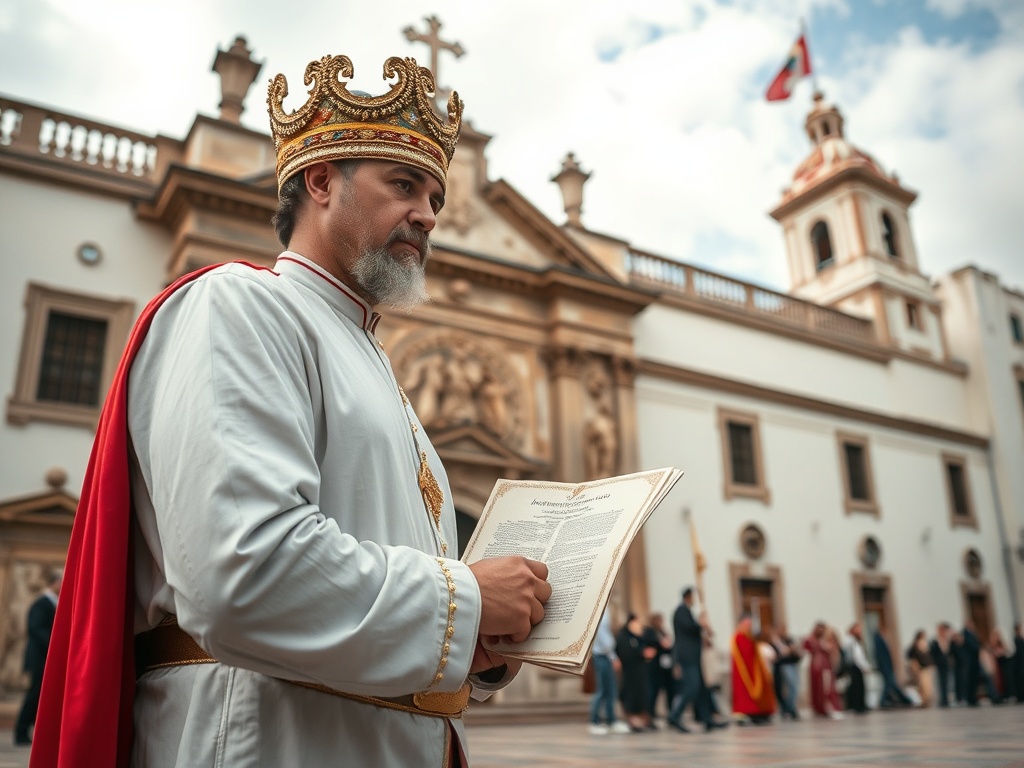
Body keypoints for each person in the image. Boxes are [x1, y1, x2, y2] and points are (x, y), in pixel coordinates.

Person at [32, 53, 552, 768]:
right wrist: (467, 597)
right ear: (319, 181)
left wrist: (481, 649)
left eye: (435, 195)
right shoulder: (240, 306)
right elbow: (243, 575)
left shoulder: (379, 376)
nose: (428, 215)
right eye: (404, 184)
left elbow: (401, 621)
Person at [13, 569, 61, 746]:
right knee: (33, 695)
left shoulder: (52, 603)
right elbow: (36, 628)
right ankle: (20, 732)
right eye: (61, 582)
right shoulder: (42, 603)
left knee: (41, 696)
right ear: (54, 583)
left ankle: (34, 731)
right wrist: (56, 645)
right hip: (38, 658)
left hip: (45, 659)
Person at [667, 587, 725, 733]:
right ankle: (675, 715)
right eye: (692, 597)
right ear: (687, 596)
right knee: (691, 687)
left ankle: (707, 719)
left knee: (701, 689)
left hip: (694, 655)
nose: (694, 600)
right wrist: (702, 624)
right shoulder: (681, 611)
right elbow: (689, 627)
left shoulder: (686, 611)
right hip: (687, 656)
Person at [589, 608, 631, 735]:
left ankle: (611, 720)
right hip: (602, 655)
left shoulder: (605, 607)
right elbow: (602, 634)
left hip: (605, 655)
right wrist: (613, 656)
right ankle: (594, 721)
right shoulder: (598, 606)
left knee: (610, 690)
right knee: (601, 690)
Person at [730, 613, 776, 725]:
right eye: (747, 623)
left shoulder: (749, 636)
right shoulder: (739, 637)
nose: (749, 626)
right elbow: (745, 654)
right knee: (744, 693)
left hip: (754, 669)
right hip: (745, 671)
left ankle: (760, 713)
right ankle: (748, 714)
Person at [616, 613, 653, 732]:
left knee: (642, 694)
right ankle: (632, 719)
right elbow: (625, 652)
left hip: (640, 671)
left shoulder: (637, 636)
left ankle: (643, 718)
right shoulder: (623, 636)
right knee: (631, 695)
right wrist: (641, 653)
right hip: (630, 672)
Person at [803, 621, 842, 719]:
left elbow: (833, 649)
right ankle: (819, 709)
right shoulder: (811, 639)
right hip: (816, 668)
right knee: (817, 688)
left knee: (827, 688)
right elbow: (806, 646)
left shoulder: (827, 639)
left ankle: (830, 708)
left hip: (825, 667)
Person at [642, 612, 675, 722]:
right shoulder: (649, 632)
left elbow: (669, 645)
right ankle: (650, 714)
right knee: (653, 691)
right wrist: (661, 642)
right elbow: (654, 644)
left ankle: (671, 712)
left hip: (665, 668)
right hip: (654, 668)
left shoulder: (663, 632)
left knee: (670, 690)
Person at [768, 624, 801, 720]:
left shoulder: (789, 640)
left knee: (794, 687)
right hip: (783, 666)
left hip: (792, 664)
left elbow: (796, 652)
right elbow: (775, 655)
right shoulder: (774, 642)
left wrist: (794, 650)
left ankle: (790, 707)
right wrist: (786, 650)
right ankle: (787, 708)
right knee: (785, 688)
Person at [874, 630, 913, 708]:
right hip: (886, 668)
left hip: (887, 668)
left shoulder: (881, 642)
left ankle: (905, 700)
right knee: (890, 685)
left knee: (890, 685)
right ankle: (906, 700)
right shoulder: (879, 642)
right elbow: (881, 658)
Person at [841, 622, 871, 714]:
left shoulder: (855, 640)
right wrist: (864, 666)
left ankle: (860, 705)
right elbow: (857, 656)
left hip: (857, 666)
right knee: (856, 687)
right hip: (854, 666)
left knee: (859, 686)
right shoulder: (851, 640)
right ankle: (857, 706)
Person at [905, 630, 934, 707]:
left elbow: (928, 657)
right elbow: (911, 657)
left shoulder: (925, 645)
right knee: (922, 687)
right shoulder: (915, 646)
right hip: (920, 669)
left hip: (925, 668)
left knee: (927, 687)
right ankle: (923, 701)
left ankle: (926, 701)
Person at [929, 622, 953, 707]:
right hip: (939, 664)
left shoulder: (947, 640)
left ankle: (946, 700)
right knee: (940, 682)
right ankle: (942, 700)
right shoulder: (935, 641)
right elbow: (932, 653)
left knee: (946, 682)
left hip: (946, 664)